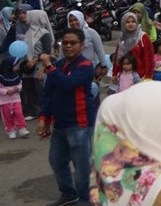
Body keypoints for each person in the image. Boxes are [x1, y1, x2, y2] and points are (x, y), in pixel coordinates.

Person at [38, 28, 96, 206]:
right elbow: (49, 93)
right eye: (65, 42)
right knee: (56, 161)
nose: (68, 46)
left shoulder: (85, 66)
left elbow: (68, 84)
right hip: (60, 125)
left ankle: (86, 199)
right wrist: (44, 119)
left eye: (73, 43)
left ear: (82, 45)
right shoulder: (60, 65)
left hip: (79, 124)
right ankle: (68, 194)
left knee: (81, 166)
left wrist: (48, 66)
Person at [0, 55, 29, 138]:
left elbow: (20, 84)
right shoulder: (0, 77)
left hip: (16, 99)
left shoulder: (15, 76)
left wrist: (17, 89)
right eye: (15, 65)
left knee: (19, 113)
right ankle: (10, 130)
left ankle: (22, 128)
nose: (17, 67)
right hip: (4, 101)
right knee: (7, 116)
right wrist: (6, 91)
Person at [114, 12, 154, 80]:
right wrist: (115, 73)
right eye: (127, 22)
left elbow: (149, 57)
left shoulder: (143, 37)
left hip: (141, 76)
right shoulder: (122, 37)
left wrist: (148, 76)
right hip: (124, 75)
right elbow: (118, 57)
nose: (130, 24)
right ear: (123, 23)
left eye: (133, 21)